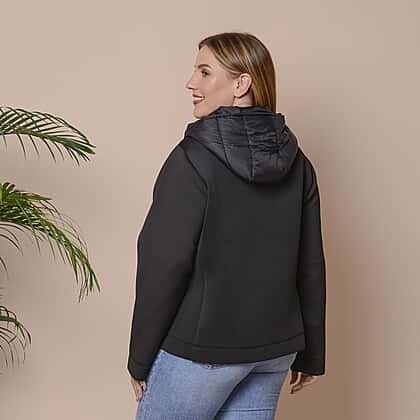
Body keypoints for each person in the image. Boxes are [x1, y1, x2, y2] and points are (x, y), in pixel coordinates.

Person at [127, 31, 327, 419]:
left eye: (205, 72)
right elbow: (310, 262)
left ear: (241, 84)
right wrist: (312, 353)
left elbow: (163, 262)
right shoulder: (298, 162)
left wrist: (140, 357)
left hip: (204, 351)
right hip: (274, 352)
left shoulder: (192, 158)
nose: (191, 82)